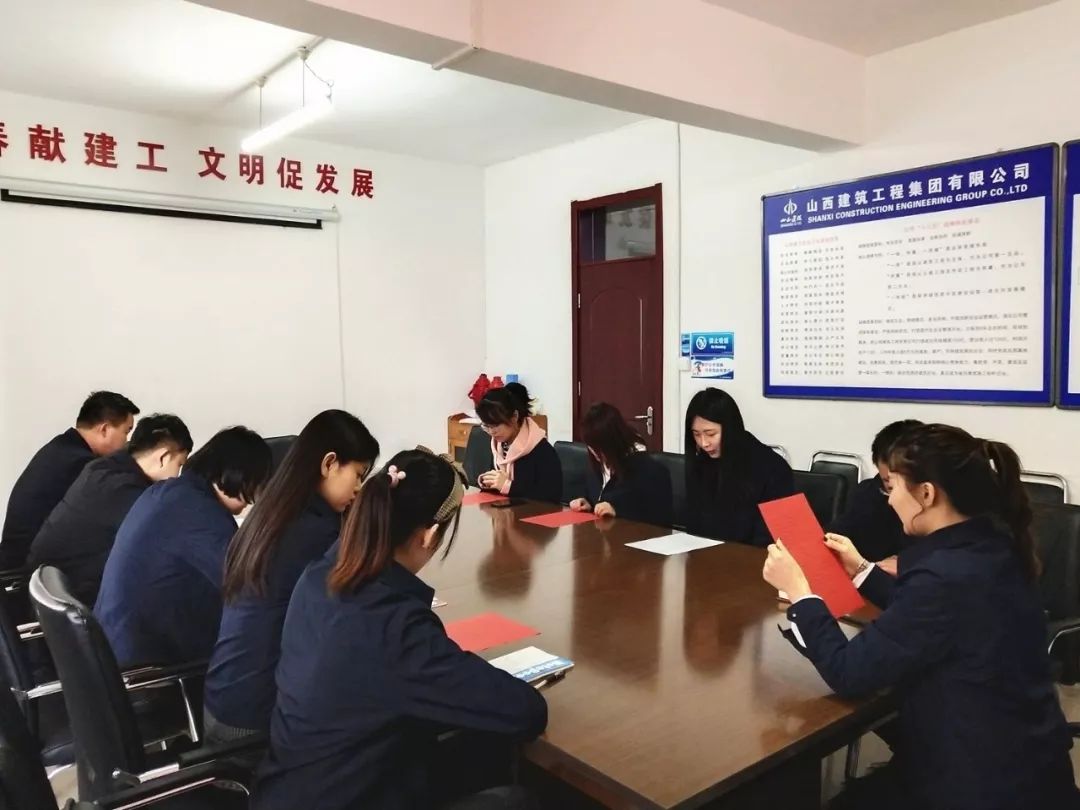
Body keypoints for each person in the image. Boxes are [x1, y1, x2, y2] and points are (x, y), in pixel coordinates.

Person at [762, 424, 1079, 810]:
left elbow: (848, 672)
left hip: (979, 782)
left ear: (926, 494)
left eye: (893, 486)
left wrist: (800, 592)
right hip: (1028, 764)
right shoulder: (991, 546)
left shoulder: (944, 575)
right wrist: (860, 569)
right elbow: (927, 613)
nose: (890, 500)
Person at [252, 448, 547, 810]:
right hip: (354, 796)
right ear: (430, 535)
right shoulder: (393, 623)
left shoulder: (318, 576)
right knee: (516, 800)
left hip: (287, 788)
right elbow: (525, 712)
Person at [203, 410, 379, 743]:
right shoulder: (315, 534)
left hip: (223, 702)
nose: (359, 488)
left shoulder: (273, 514)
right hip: (255, 725)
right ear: (329, 464)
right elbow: (348, 626)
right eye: (358, 475)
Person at [94, 427, 272, 668]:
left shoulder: (167, 493)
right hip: (147, 666)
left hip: (115, 647)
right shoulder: (201, 514)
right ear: (238, 474)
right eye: (257, 485)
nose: (255, 497)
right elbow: (248, 587)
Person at [28, 414, 192, 606]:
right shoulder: (125, 490)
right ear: (163, 457)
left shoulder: (104, 467)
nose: (177, 476)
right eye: (179, 464)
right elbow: (170, 535)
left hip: (50, 588)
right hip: (76, 596)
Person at [1, 391, 139, 570]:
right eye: (126, 432)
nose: (126, 441)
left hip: (15, 561)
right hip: (25, 572)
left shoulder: (62, 447)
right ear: (104, 429)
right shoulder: (81, 464)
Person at [683, 388, 793, 545]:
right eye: (696, 434)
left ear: (730, 428)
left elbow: (771, 536)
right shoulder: (702, 462)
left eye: (711, 434)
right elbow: (696, 523)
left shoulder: (770, 467)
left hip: (753, 555)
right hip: (705, 552)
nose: (704, 443)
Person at [830, 419, 923, 572]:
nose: (892, 498)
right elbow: (841, 530)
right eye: (888, 483)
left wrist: (907, 564)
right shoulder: (867, 492)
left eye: (899, 483)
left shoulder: (936, 508)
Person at [568, 402, 673, 526]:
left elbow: (658, 517)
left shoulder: (650, 470)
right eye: (590, 446)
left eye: (597, 448)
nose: (593, 452)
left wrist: (618, 510)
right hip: (601, 533)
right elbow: (597, 494)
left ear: (612, 442)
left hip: (633, 535)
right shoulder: (597, 463)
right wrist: (587, 503)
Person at [475, 383, 561, 503]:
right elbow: (499, 487)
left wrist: (507, 486)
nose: (491, 432)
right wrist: (488, 482)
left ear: (515, 416)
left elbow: (551, 497)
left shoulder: (542, 450)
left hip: (532, 513)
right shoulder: (499, 445)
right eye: (486, 426)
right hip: (505, 510)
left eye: (496, 425)